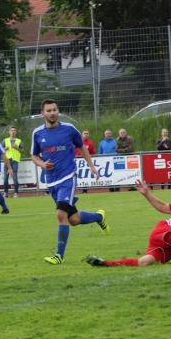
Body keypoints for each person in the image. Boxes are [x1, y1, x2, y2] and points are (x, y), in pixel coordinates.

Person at [31, 99, 109, 265]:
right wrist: (42, 164)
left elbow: (82, 147)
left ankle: (59, 256)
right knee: (73, 219)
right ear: (42, 113)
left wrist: (92, 166)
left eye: (54, 109)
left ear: (58, 111)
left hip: (68, 178)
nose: (52, 113)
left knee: (60, 214)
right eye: (49, 110)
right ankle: (98, 217)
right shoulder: (37, 133)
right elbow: (34, 155)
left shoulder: (69, 129)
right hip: (52, 182)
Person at [85, 180, 171, 267]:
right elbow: (163, 207)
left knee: (145, 262)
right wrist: (147, 194)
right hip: (163, 231)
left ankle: (104, 263)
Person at [2, 126, 23, 197]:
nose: (13, 132)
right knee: (5, 178)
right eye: (11, 130)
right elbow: (0, 151)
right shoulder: (5, 140)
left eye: (14, 130)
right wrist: (5, 148)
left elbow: (22, 151)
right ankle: (5, 193)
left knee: (15, 178)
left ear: (16, 132)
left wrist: (17, 148)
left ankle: (16, 193)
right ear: (9, 132)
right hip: (7, 161)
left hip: (15, 161)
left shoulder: (19, 141)